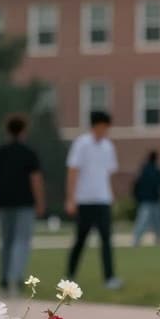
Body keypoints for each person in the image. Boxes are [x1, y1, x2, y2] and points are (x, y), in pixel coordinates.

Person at [0, 114, 45, 296]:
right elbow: (35, 180)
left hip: (4, 202)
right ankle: (16, 279)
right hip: (25, 203)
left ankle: (4, 280)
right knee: (22, 241)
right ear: (24, 131)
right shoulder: (29, 153)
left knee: (6, 242)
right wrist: (40, 201)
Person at [66, 110, 121, 290]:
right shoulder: (82, 144)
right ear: (97, 125)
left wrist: (111, 195)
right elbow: (73, 171)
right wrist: (71, 198)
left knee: (106, 239)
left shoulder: (108, 146)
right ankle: (70, 276)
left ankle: (110, 277)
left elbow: (107, 174)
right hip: (85, 199)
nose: (106, 131)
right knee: (81, 239)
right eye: (104, 127)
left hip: (102, 199)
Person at [131, 151, 160, 247]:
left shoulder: (143, 170)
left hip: (147, 200)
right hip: (152, 200)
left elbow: (136, 185)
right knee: (155, 222)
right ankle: (157, 240)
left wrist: (137, 197)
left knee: (144, 221)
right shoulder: (155, 170)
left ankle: (136, 240)